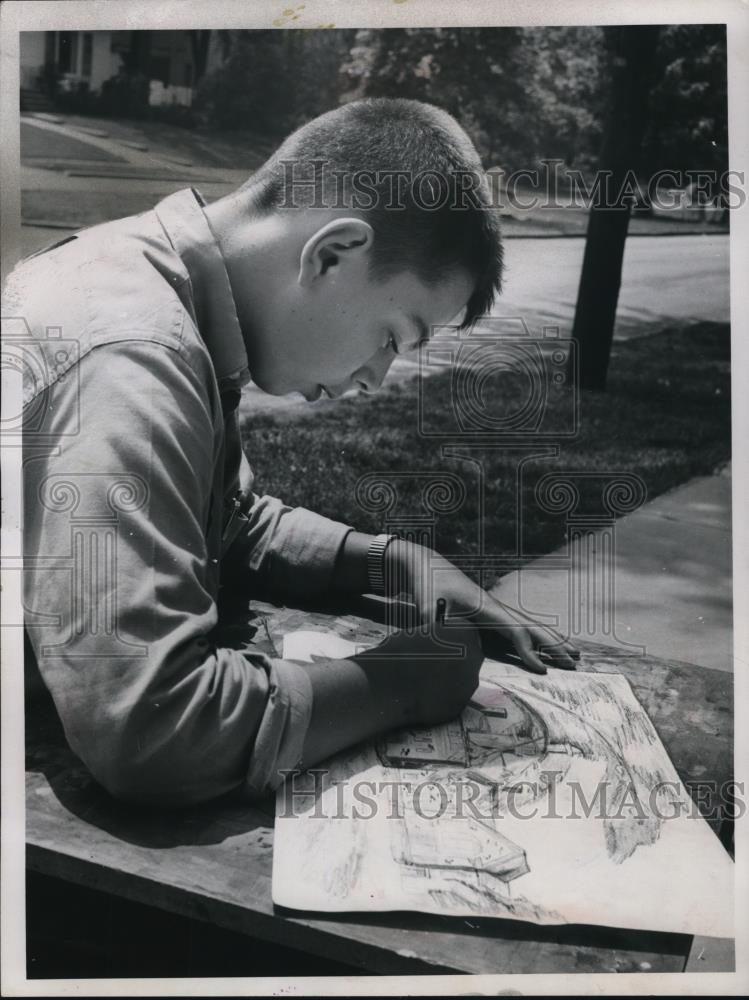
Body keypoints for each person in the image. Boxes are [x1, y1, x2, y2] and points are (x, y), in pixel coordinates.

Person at [6, 98, 578, 807]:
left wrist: (395, 560)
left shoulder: (158, 285)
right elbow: (151, 734)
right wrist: (400, 685)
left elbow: (222, 520)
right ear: (331, 254)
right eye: (393, 337)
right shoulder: (133, 355)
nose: (374, 379)